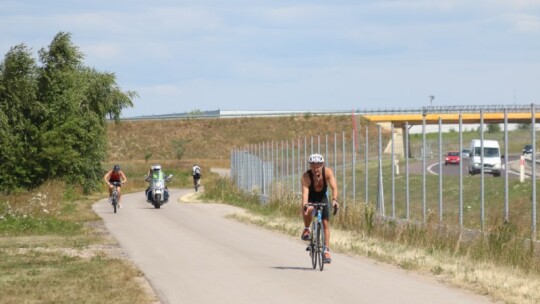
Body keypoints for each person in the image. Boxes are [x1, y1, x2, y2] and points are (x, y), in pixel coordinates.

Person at [300, 153, 339, 264]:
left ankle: (326, 250)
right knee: (309, 209)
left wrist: (335, 200)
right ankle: (307, 229)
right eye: (313, 166)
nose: (315, 168)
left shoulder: (327, 172)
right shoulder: (306, 176)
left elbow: (334, 187)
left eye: (318, 166)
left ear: (322, 165)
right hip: (311, 198)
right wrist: (305, 206)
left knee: (325, 223)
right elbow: (305, 195)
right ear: (310, 166)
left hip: (322, 198)